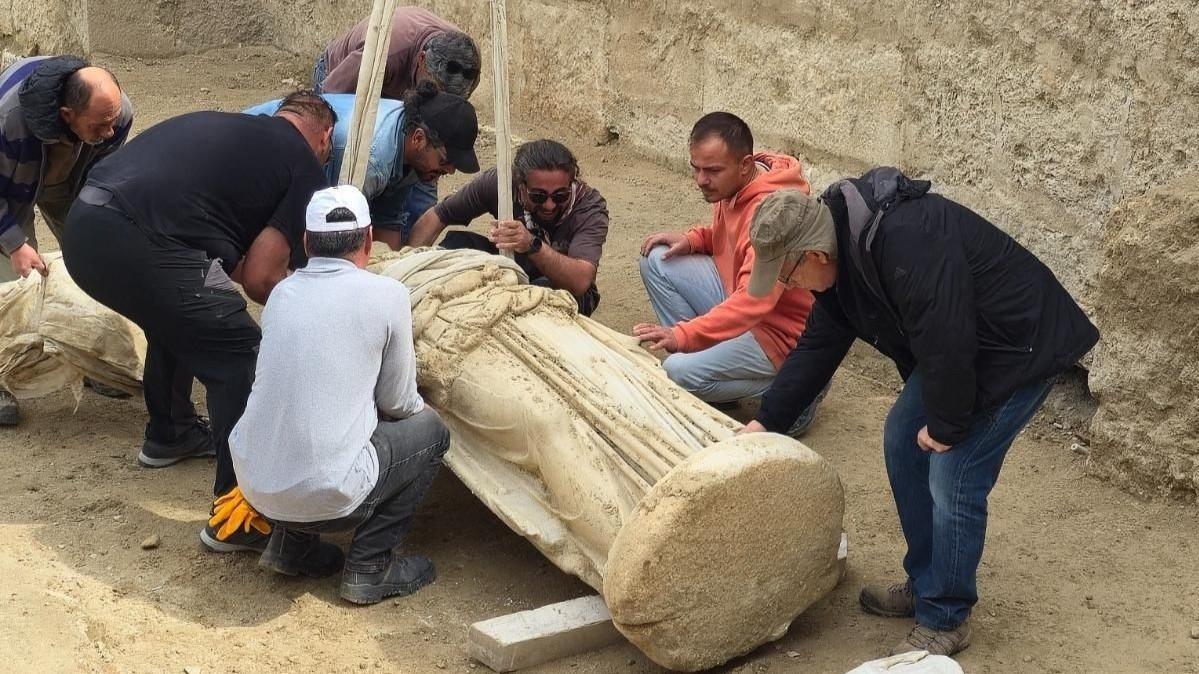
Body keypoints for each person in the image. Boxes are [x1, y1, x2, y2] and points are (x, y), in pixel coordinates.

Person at [741, 172, 1100, 656]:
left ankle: (946, 615)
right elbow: (820, 344)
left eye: (786, 275)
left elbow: (946, 332)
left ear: (814, 255)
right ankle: (927, 580)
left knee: (954, 472)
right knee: (901, 438)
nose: (788, 287)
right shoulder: (840, 254)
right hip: (962, 347)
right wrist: (767, 422)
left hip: (1018, 346)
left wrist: (948, 425)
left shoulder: (907, 238)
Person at [60, 91, 336, 553]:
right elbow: (260, 279)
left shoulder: (237, 129)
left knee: (192, 313)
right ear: (324, 136)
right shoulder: (303, 163)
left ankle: (172, 433)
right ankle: (239, 517)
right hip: (133, 234)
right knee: (237, 350)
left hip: (85, 227)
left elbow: (227, 261)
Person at [230, 185, 450, 604]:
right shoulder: (388, 295)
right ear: (369, 239)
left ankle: (290, 547)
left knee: (312, 415)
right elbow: (399, 403)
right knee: (431, 431)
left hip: (256, 485)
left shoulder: (282, 294)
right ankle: (370, 566)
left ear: (307, 242)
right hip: (330, 497)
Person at [634, 112, 819, 430]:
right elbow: (735, 241)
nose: (701, 180)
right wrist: (696, 239)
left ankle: (795, 393)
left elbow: (754, 300)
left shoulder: (773, 212)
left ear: (745, 165)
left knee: (675, 370)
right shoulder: (732, 185)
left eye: (712, 171)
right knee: (657, 259)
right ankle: (715, 371)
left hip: (779, 334)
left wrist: (684, 335)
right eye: (696, 168)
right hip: (744, 301)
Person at [0, 55, 133, 425]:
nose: (111, 131)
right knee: (9, 286)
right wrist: (13, 242)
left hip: (67, 175)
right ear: (67, 114)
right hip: (11, 177)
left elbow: (104, 175)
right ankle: (3, 373)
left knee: (94, 263)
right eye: (100, 124)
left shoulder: (116, 116)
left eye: (113, 121)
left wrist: (93, 227)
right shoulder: (6, 122)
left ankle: (89, 359)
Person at [244, 82, 480, 248]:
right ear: (419, 138)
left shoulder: (410, 145)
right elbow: (333, 231)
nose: (450, 170)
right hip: (253, 156)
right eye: (446, 160)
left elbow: (388, 220)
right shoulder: (372, 160)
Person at [408, 139, 608, 316]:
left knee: (542, 296)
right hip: (511, 264)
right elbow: (436, 216)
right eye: (538, 196)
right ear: (520, 185)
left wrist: (531, 244)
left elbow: (580, 282)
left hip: (562, 286)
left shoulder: (589, 207)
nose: (549, 205)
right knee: (456, 246)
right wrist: (407, 267)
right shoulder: (501, 183)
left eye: (560, 196)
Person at [315, 6, 480, 99]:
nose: (437, 102)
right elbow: (329, 96)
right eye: (433, 89)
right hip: (337, 75)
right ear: (422, 59)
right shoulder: (384, 52)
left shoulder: (469, 63)